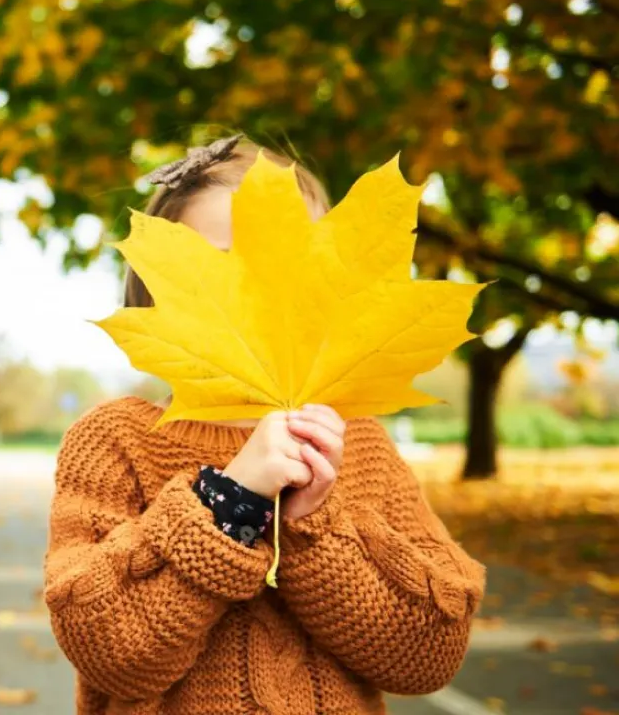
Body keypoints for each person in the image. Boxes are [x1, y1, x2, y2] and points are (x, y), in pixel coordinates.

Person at [43, 135, 485, 715]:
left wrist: (315, 529)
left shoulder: (362, 445)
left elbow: (430, 651)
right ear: (155, 292)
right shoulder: (117, 439)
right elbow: (108, 650)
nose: (259, 293)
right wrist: (229, 504)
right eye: (224, 269)